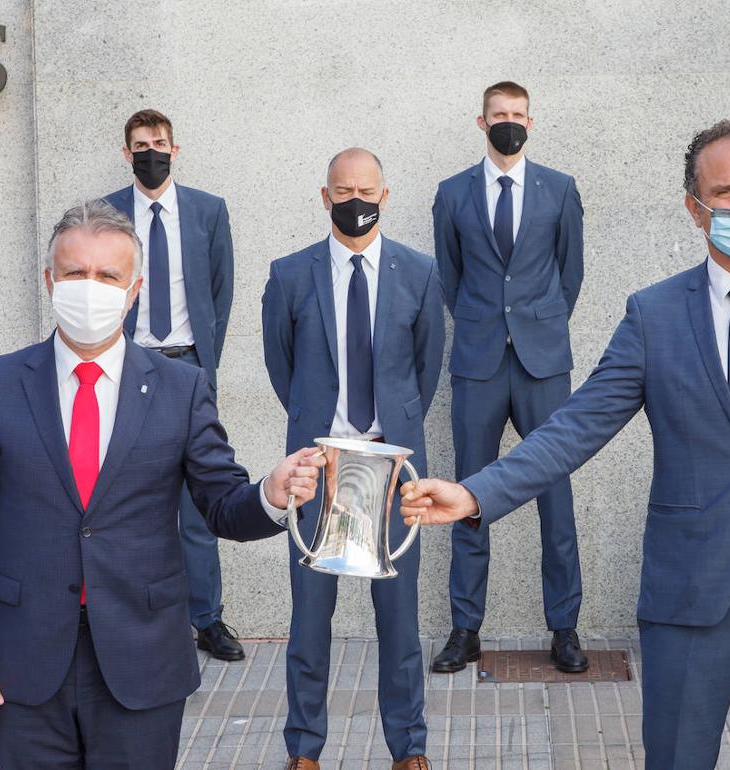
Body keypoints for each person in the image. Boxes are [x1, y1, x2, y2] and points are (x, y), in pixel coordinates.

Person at [402, 120, 730, 770]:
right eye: (726, 193)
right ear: (695, 208)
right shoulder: (655, 314)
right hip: (688, 597)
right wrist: (473, 493)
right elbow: (576, 427)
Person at [0, 200, 323, 769]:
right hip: (22, 658)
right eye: (75, 272)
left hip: (143, 659)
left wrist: (270, 493)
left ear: (134, 289)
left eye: (107, 275)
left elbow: (221, 505)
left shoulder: (181, 388)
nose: (89, 288)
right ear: (49, 280)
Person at [262, 148, 444, 770]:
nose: (356, 201)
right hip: (317, 470)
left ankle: (408, 748)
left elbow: (424, 369)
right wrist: (319, 431)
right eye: (344, 191)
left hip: (391, 473)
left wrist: (388, 434)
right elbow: (282, 367)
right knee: (310, 620)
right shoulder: (290, 275)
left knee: (399, 621)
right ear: (325, 197)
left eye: (366, 191)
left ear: (385, 196)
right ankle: (304, 749)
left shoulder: (418, 273)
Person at [430, 81, 587, 673]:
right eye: (499, 114)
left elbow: (570, 273)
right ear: (482, 121)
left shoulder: (559, 188)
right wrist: (484, 325)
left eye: (518, 114)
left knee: (556, 498)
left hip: (543, 363)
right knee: (469, 497)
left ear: (531, 121)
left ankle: (565, 628)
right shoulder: (452, 193)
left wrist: (538, 325)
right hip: (478, 363)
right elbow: (451, 277)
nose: (509, 123)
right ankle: (465, 629)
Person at [100, 108, 243, 661]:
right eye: (140, 145)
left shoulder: (207, 210)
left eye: (159, 143)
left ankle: (207, 618)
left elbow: (220, 292)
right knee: (124, 497)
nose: (151, 153)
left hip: (187, 367)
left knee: (197, 499)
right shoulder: (107, 214)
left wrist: (204, 364)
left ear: (175, 150)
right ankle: (132, 617)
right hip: (127, 364)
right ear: (126, 153)